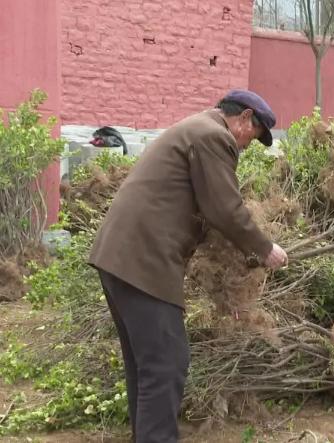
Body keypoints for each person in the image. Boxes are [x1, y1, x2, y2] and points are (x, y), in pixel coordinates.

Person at [89, 90, 288, 443]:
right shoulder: (213, 136)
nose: (246, 147)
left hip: (119, 257)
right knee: (166, 364)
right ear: (244, 119)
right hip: (143, 261)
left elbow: (203, 205)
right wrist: (264, 248)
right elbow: (224, 208)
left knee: (147, 366)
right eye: (252, 138)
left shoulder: (195, 128)